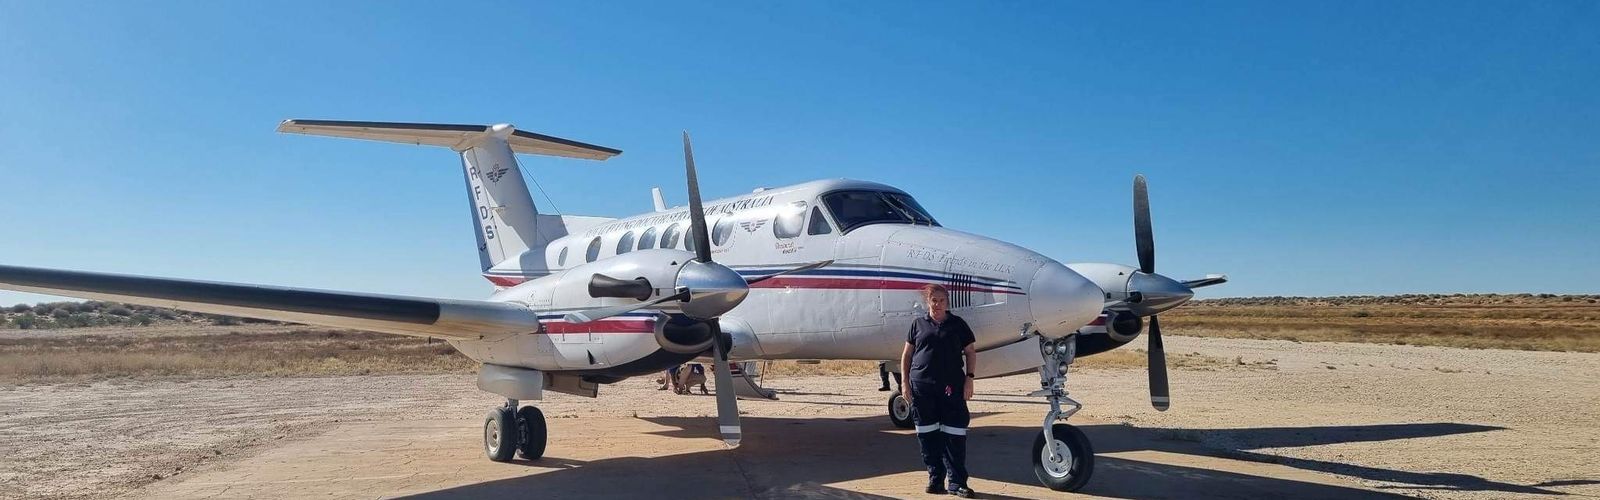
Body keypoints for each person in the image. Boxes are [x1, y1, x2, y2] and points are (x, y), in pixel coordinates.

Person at [900, 283, 977, 498]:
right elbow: (906, 355)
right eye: (934, 300)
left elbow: (970, 352)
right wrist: (905, 383)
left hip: (951, 387)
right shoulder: (918, 325)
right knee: (927, 435)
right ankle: (935, 479)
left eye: (942, 300)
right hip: (922, 388)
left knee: (954, 434)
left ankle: (957, 483)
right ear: (928, 302)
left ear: (947, 302)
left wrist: (969, 379)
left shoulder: (958, 324)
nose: (938, 304)